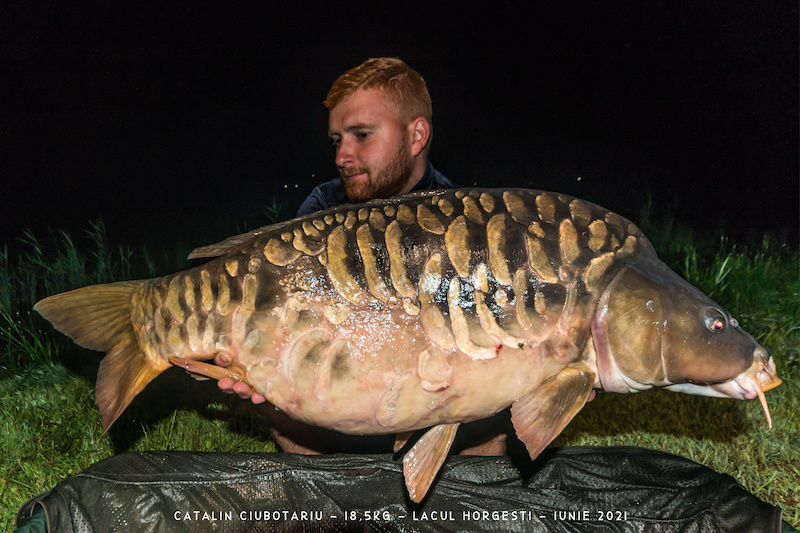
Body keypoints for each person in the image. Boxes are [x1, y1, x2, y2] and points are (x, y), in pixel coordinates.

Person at [217, 57, 510, 456]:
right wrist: (251, 354)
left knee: (495, 405)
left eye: (361, 135)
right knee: (277, 393)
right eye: (338, 140)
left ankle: (461, 509)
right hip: (341, 399)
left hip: (435, 396)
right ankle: (329, 507)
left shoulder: (465, 222)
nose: (341, 156)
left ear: (416, 136)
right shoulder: (323, 208)